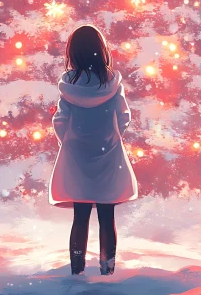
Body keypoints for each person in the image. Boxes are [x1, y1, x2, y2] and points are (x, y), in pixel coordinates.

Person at [49, 24, 138, 276]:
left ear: (73, 52)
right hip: (108, 153)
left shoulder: (68, 84)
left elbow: (60, 120)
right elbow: (123, 116)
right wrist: (113, 137)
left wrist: (68, 141)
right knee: (107, 217)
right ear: (101, 50)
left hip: (77, 156)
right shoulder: (112, 82)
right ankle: (107, 270)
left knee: (80, 217)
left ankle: (77, 272)